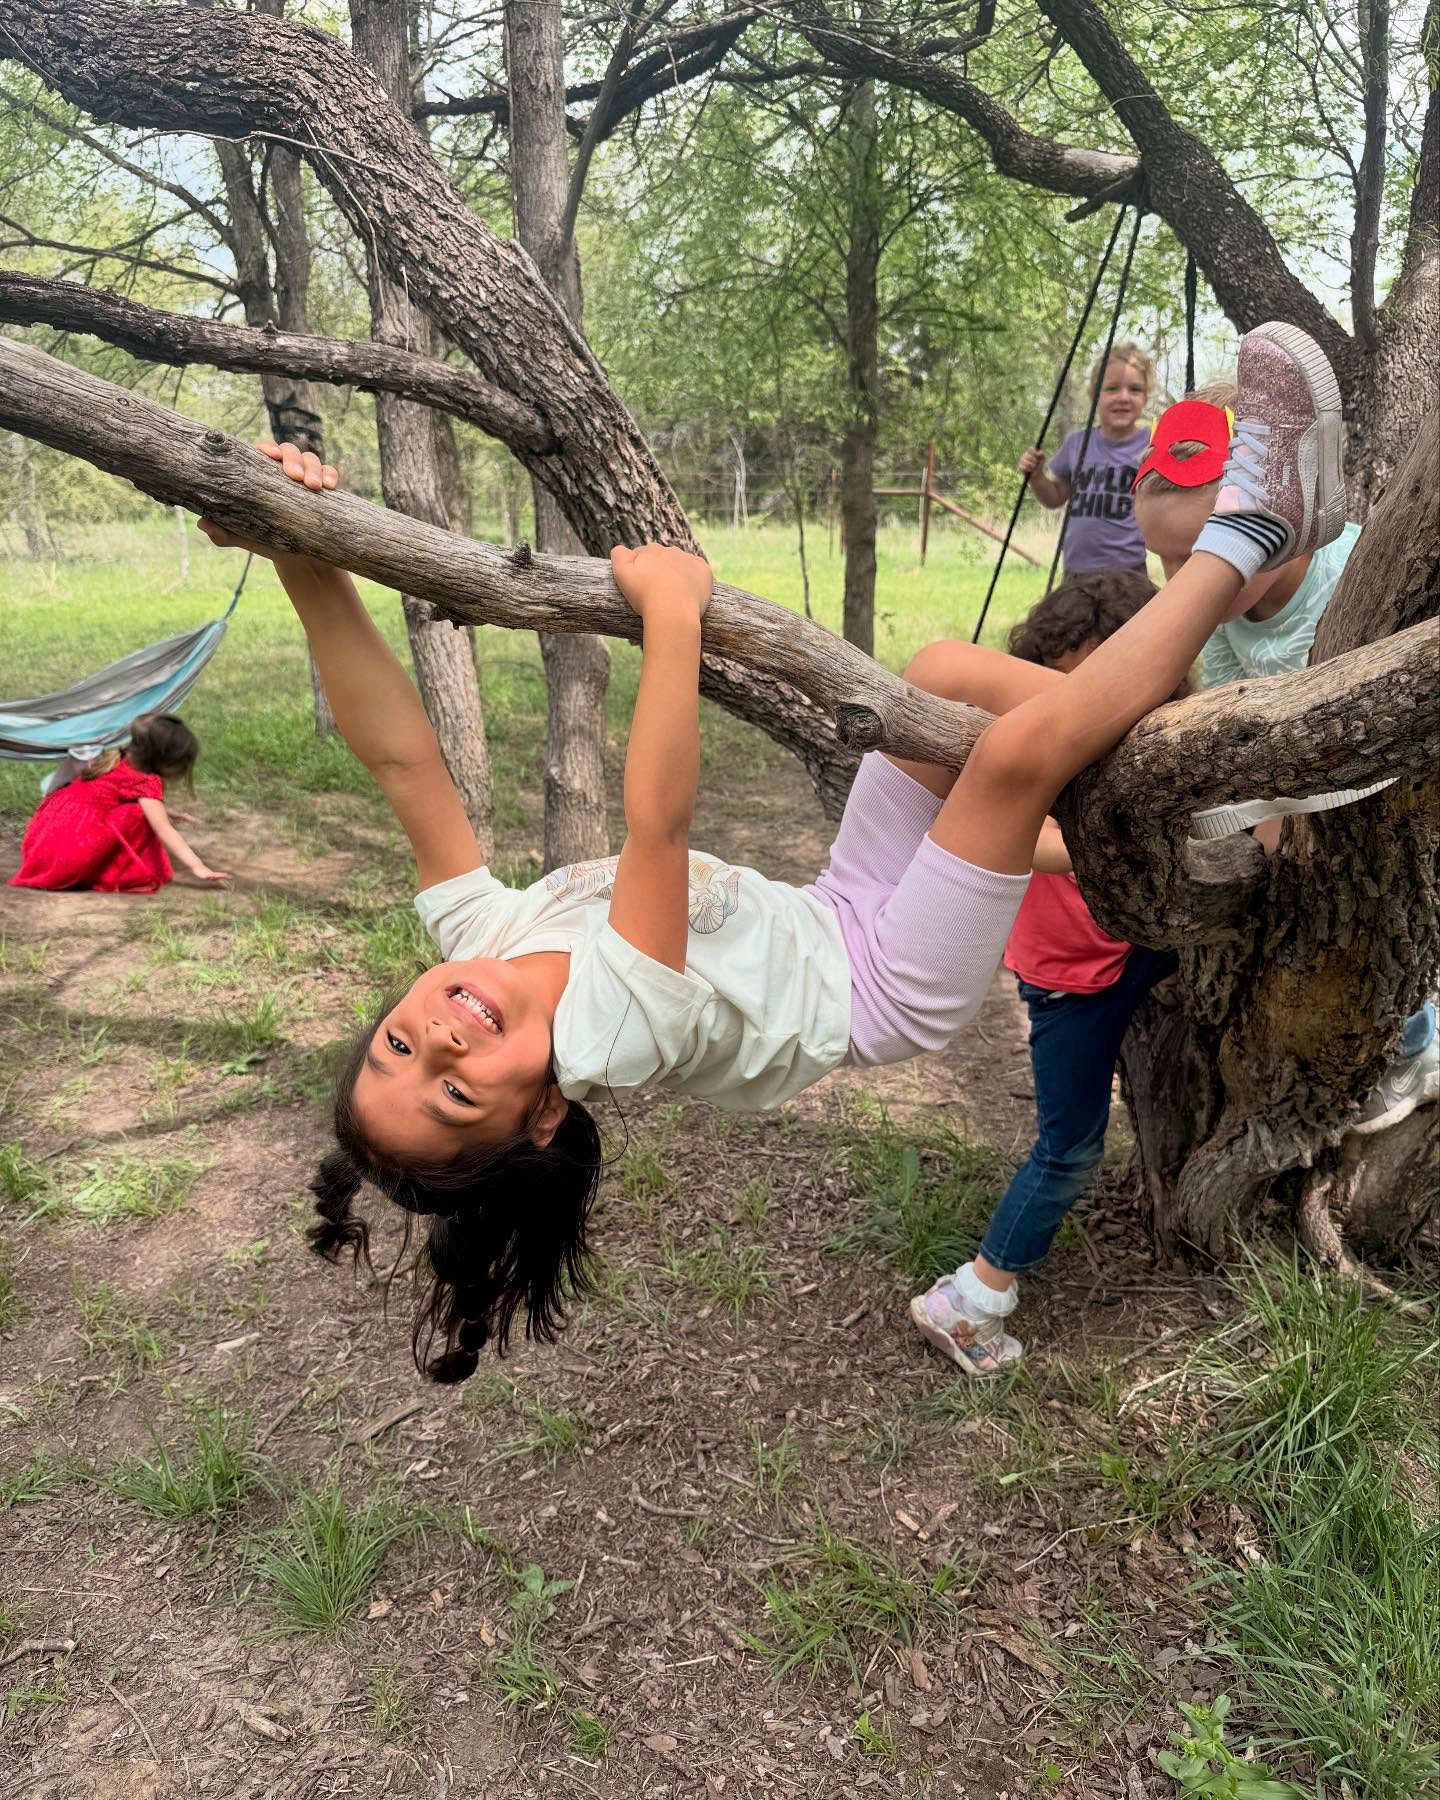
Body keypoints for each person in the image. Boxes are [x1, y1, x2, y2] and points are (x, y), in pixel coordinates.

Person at [199, 319, 1345, 1383]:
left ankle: (1221, 770)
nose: (442, 1039)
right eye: (455, 1093)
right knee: (1006, 767)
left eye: (401, 1041)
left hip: (836, 902)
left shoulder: (480, 938)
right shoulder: (612, 1029)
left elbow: (403, 765)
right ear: (542, 1119)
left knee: (941, 677)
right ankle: (1251, 535)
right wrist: (673, 615)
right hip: (881, 988)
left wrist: (303, 556)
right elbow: (659, 827)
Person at [1132, 377, 1437, 1135]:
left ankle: (1421, 1044)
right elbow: (1232, 720)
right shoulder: (1230, 615)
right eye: (1164, 561)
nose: (1183, 583)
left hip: (1389, 806)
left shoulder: (1351, 577)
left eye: (1199, 555)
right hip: (1304, 819)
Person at [908, 571, 1183, 1376]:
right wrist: (1101, 850)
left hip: (1132, 947)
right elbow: (1017, 841)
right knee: (1070, 1148)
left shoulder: (1148, 750)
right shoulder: (1020, 757)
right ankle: (970, 1298)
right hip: (1069, 977)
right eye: (1060, 685)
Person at [8, 712, 229, 893]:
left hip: (45, 841)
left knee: (136, 810)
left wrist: (167, 811)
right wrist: (197, 866)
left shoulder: (115, 755)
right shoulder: (146, 780)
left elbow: (107, 794)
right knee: (138, 815)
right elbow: (163, 829)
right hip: (71, 855)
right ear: (165, 759)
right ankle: (118, 873)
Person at [1018, 342, 1155, 574]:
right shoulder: (1077, 443)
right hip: (1077, 569)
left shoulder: (1152, 444)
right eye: (1112, 388)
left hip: (1129, 570)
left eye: (1134, 390)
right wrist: (1036, 476)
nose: (1123, 397)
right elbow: (1055, 497)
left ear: (1146, 397)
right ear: (1094, 395)